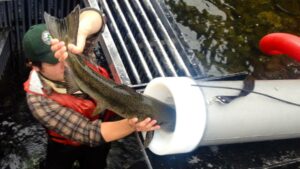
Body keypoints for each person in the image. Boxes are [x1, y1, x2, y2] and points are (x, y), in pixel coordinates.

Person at [22, 7, 160, 169]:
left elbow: (96, 16)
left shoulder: (76, 53)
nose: (65, 63)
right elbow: (88, 132)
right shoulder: (37, 99)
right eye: (54, 61)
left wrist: (79, 34)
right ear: (34, 66)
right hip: (66, 144)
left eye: (66, 55)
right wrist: (132, 124)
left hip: (102, 137)